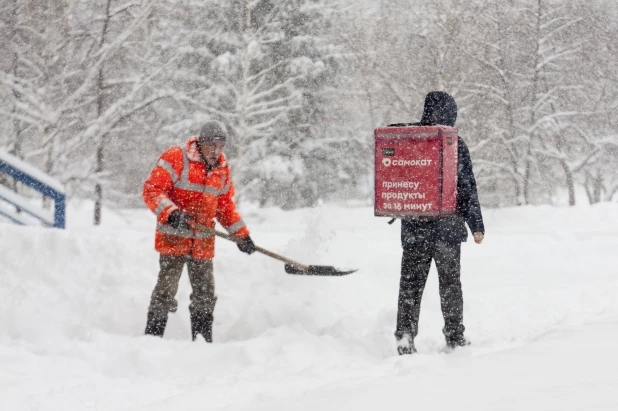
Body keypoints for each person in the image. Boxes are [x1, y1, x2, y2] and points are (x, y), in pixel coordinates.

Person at [142, 120, 256, 342]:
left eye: (220, 145)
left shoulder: (222, 170)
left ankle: (203, 343)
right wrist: (172, 213)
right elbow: (152, 190)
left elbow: (224, 206)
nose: (216, 151)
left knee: (205, 296)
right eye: (211, 145)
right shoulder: (176, 158)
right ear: (200, 143)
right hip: (173, 239)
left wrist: (242, 236)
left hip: (202, 244)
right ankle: (151, 340)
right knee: (165, 292)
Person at [393, 91, 485, 354]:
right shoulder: (453, 143)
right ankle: (455, 337)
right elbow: (467, 187)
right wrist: (476, 224)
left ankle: (405, 336)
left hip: (415, 229)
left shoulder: (410, 140)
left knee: (410, 284)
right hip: (447, 230)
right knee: (450, 286)